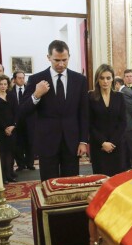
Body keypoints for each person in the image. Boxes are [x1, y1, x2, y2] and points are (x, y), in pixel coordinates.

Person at [19, 40, 89, 181]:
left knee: (70, 184)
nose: (61, 64)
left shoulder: (79, 80)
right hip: (47, 141)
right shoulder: (36, 79)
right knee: (49, 183)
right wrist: (36, 95)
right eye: (57, 60)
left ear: (69, 56)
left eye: (64, 60)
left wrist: (83, 141)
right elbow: (22, 111)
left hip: (72, 142)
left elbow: (83, 112)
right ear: (48, 57)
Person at [88, 65, 126, 176]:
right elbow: (89, 123)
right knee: (101, 179)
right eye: (102, 78)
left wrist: (113, 142)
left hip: (117, 145)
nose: (105, 81)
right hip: (99, 146)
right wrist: (103, 142)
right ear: (97, 79)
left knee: (117, 179)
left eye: (108, 78)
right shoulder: (90, 97)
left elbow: (122, 122)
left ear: (113, 79)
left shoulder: (119, 97)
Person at [0, 75, 17, 183]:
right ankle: (3, 176)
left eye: (5, 84)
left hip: (12, 129)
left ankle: (10, 174)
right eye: (1, 84)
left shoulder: (12, 95)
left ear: (8, 85)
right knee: (1, 154)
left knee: (11, 152)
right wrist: (5, 127)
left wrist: (13, 125)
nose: (3, 86)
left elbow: (17, 111)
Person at [114, 77, 132, 169]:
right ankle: (128, 166)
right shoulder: (130, 91)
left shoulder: (123, 93)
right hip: (131, 125)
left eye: (113, 85)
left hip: (128, 125)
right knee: (129, 147)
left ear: (117, 84)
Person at [10, 70, 35, 171]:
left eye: (23, 78)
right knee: (18, 144)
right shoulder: (10, 91)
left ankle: (30, 163)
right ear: (15, 79)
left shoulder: (29, 89)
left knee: (30, 142)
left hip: (29, 120)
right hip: (16, 121)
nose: (21, 80)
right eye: (19, 78)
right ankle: (21, 164)